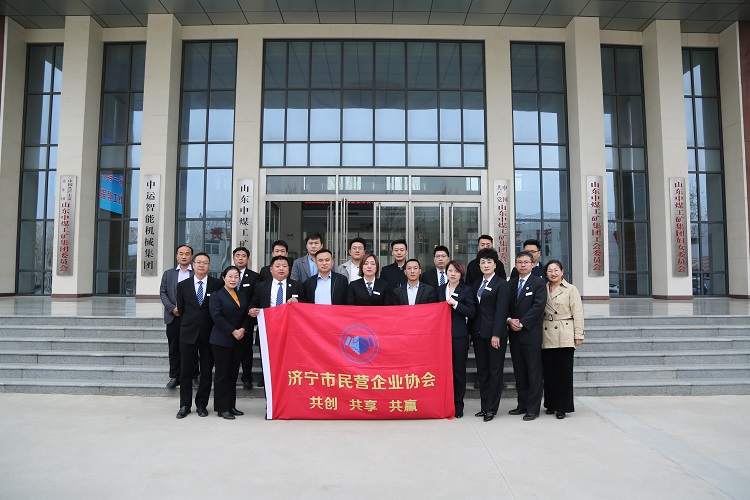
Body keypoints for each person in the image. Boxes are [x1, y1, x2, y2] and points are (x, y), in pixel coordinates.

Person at [174, 253, 221, 419]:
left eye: (205, 263)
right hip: (188, 333)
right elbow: (182, 309)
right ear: (193, 265)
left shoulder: (217, 284)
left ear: (209, 266)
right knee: (186, 371)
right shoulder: (183, 285)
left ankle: (202, 405)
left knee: (207, 372)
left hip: (209, 334)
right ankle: (185, 405)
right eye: (199, 262)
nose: (201, 265)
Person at [469, 248, 511, 422]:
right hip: (479, 334)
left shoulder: (502, 284)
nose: (486, 265)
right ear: (479, 265)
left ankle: (492, 408)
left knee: (495, 372)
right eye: (483, 262)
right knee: (483, 371)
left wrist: (496, 335)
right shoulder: (476, 283)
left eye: (489, 262)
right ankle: (484, 405)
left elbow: (501, 312)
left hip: (495, 335)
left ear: (495, 264)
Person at [507, 250, 548, 421]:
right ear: (515, 265)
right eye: (519, 262)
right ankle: (522, 404)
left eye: (525, 262)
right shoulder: (511, 283)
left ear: (532, 264)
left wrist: (522, 322)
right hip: (514, 334)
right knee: (520, 371)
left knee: (533, 371)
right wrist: (509, 320)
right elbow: (505, 306)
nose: (522, 265)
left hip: (530, 333)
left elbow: (538, 307)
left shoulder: (539, 283)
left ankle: (533, 408)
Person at [209, 266, 253, 420]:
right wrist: (233, 331)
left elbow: (247, 315)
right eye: (230, 276)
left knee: (233, 374)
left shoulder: (241, 295)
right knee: (222, 374)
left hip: (238, 340)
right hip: (221, 340)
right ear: (223, 278)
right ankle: (222, 408)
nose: (233, 279)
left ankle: (231, 406)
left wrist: (242, 329)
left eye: (236, 277)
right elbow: (217, 317)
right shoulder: (216, 296)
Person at [542, 259, 584, 419]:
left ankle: (562, 406)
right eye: (550, 271)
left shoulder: (570, 289)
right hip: (546, 334)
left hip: (565, 333)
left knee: (564, 373)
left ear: (562, 271)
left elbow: (578, 313)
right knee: (549, 372)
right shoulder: (543, 288)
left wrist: (579, 334)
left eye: (556, 270)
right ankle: (551, 404)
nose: (553, 273)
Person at [437, 260, 476, 419]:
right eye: (450, 271)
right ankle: (444, 402)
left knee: (458, 371)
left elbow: (472, 312)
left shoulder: (466, 290)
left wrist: (456, 304)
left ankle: (458, 404)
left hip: (459, 336)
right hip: (440, 336)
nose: (453, 274)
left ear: (461, 273)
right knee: (442, 371)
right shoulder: (439, 289)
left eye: (456, 271)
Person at [159, 244, 194, 389]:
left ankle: (193, 375)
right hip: (173, 316)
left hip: (191, 317)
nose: (184, 256)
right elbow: (163, 293)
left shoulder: (196, 273)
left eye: (187, 254)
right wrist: (172, 308)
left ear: (191, 256)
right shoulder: (169, 274)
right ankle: (175, 376)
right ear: (176, 256)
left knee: (192, 347)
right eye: (181, 253)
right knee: (174, 348)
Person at [232, 246, 261, 390]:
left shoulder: (254, 276)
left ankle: (247, 378)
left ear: (248, 259)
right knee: (231, 350)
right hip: (230, 319)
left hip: (247, 319)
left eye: (243, 256)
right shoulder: (227, 274)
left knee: (246, 351)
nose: (240, 258)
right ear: (233, 258)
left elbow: (255, 297)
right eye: (237, 255)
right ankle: (232, 376)